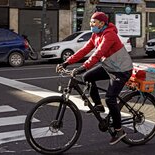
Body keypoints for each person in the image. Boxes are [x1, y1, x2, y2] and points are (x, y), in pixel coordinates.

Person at [56, 12, 133, 145]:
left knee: (110, 98)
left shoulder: (110, 35)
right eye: (91, 22)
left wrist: (82, 67)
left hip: (122, 70)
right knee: (87, 77)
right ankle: (98, 105)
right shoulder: (96, 35)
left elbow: (98, 54)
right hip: (110, 66)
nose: (91, 24)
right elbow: (84, 50)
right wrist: (66, 62)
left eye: (93, 22)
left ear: (102, 23)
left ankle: (119, 130)